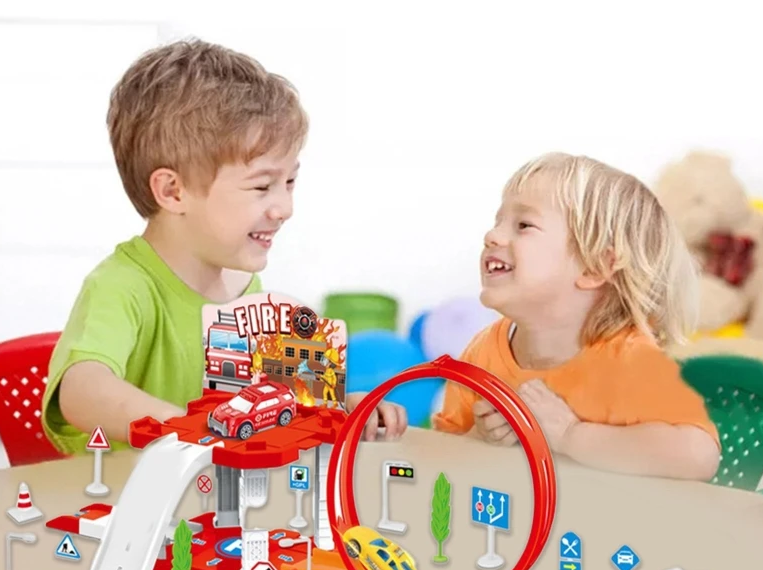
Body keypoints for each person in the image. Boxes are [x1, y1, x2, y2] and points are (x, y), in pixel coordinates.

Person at [42, 39, 404, 454]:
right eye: (262, 186)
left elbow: (277, 403)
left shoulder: (246, 287)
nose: (285, 208)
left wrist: (335, 410)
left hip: (214, 489)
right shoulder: (121, 286)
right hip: (128, 491)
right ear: (173, 192)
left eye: (290, 182)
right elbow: (83, 392)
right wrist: (195, 431)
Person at [432, 152, 721, 481]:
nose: (492, 235)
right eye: (498, 221)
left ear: (594, 268)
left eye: (523, 225)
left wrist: (570, 435)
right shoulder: (482, 353)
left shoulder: (627, 360)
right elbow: (442, 460)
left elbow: (699, 456)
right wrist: (478, 440)